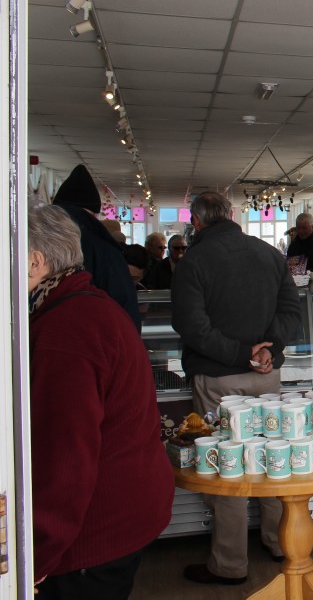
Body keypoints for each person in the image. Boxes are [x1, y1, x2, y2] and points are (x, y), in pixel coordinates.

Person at [28, 205, 173, 600]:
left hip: (95, 529)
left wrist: (33, 558)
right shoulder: (86, 307)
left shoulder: (66, 329)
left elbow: (65, 456)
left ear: (34, 262)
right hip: (125, 510)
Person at [171, 191, 301, 585]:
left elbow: (192, 327)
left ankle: (229, 564)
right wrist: (268, 351)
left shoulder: (193, 261)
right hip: (267, 375)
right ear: (231, 215)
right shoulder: (269, 254)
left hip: (217, 377)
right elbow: (292, 312)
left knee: (230, 469)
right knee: (272, 458)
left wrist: (240, 353)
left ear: (196, 223)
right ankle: (280, 544)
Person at [52, 164, 141, 330]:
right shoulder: (104, 250)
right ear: (93, 214)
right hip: (90, 341)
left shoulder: (36, 241)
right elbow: (124, 306)